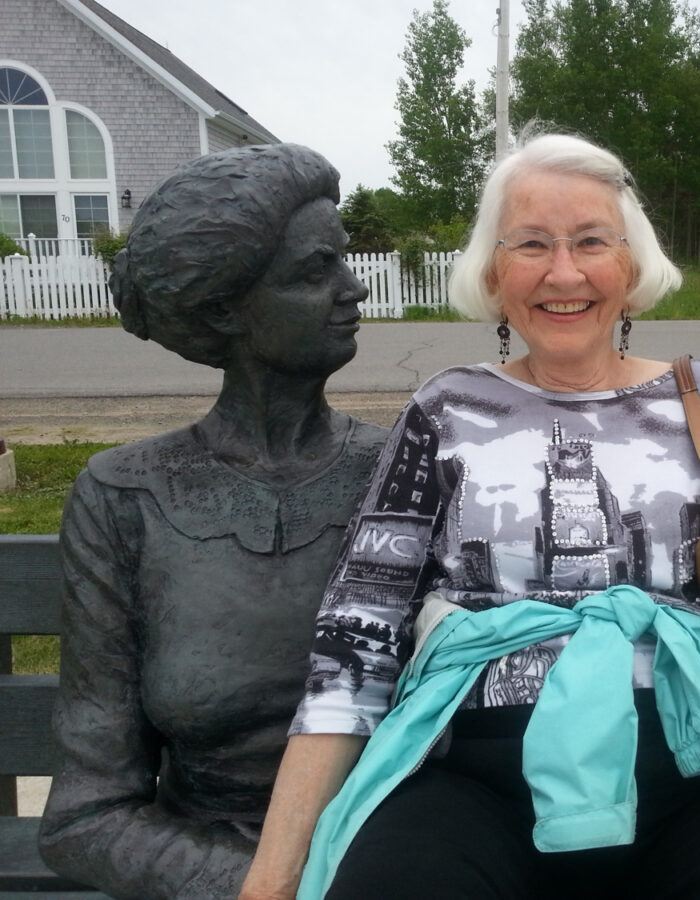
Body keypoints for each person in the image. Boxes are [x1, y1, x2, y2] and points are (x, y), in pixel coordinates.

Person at [241, 133, 700, 900]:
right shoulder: (446, 409)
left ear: (631, 267)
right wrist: (273, 873)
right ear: (494, 275)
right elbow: (355, 638)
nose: (564, 273)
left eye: (592, 241)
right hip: (475, 772)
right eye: (531, 244)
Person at [38, 144, 388, 900]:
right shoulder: (124, 497)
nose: (352, 289)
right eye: (312, 270)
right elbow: (85, 814)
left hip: (405, 855)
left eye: (344, 260)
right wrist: (277, 886)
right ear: (225, 306)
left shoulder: (408, 472)